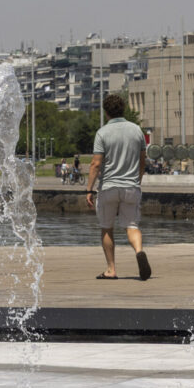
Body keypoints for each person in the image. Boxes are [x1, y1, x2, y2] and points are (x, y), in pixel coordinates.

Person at [85, 93, 150, 280]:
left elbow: (96, 164)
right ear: (123, 109)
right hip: (131, 186)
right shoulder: (137, 130)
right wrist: (137, 179)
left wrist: (89, 189)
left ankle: (111, 270)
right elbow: (142, 161)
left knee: (107, 227)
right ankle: (139, 251)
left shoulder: (103, 133)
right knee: (132, 225)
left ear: (106, 112)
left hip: (109, 187)